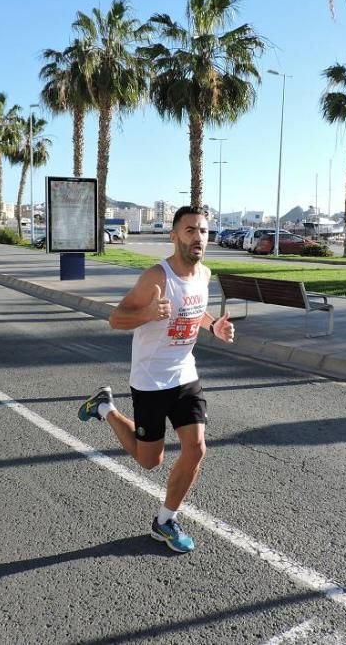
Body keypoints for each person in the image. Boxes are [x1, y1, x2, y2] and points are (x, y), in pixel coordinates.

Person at [77, 206, 234, 553]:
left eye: (204, 231)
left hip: (185, 374)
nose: (198, 237)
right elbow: (116, 319)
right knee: (150, 461)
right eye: (190, 230)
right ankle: (104, 408)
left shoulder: (204, 274)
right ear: (174, 235)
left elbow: (194, 309)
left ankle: (164, 521)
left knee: (196, 448)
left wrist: (214, 326)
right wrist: (147, 313)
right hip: (150, 380)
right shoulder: (156, 278)